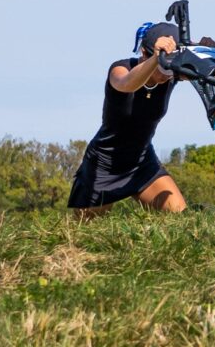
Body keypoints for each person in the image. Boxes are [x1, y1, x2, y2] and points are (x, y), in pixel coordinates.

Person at [68, 21, 188, 216]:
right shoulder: (119, 69)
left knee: (181, 217)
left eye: (170, 69)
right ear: (143, 52)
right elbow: (127, 84)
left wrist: (205, 53)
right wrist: (157, 59)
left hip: (141, 162)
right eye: (163, 67)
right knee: (83, 235)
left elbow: (201, 73)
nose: (166, 75)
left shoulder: (170, 75)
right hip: (104, 164)